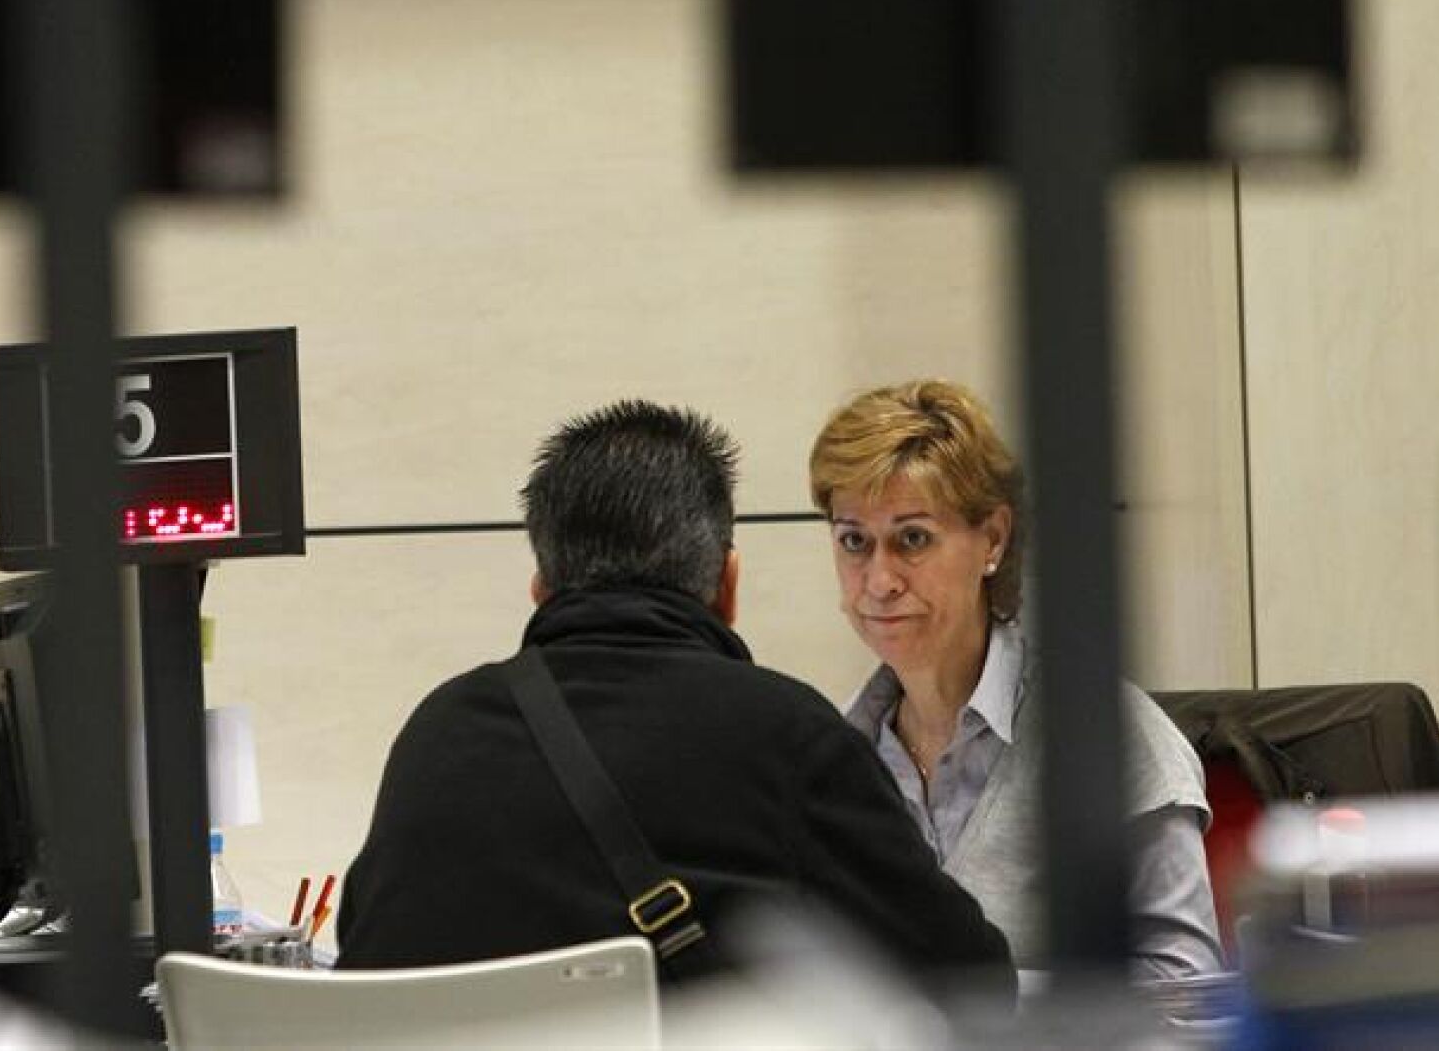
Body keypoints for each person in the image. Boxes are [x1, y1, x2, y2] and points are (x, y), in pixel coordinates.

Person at [336, 400, 1013, 997]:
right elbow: (969, 981)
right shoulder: (785, 738)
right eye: (854, 542)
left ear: (541, 590)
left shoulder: (436, 731)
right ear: (727, 585)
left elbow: (364, 968)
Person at [807, 379, 1224, 979]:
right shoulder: (834, 755)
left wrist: (988, 999)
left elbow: (1186, 990)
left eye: (913, 539)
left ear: (993, 540)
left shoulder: (1106, 734)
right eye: (854, 542)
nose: (879, 580)